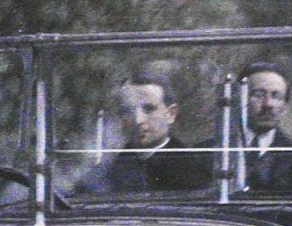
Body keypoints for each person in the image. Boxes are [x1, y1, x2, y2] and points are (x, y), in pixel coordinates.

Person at [72, 73, 212, 195]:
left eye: (149, 109)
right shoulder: (103, 174)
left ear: (170, 114)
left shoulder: (196, 173)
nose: (138, 120)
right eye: (128, 111)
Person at [241, 65, 292, 192]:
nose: (268, 104)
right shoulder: (207, 153)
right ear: (237, 99)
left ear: (284, 106)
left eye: (276, 96)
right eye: (258, 95)